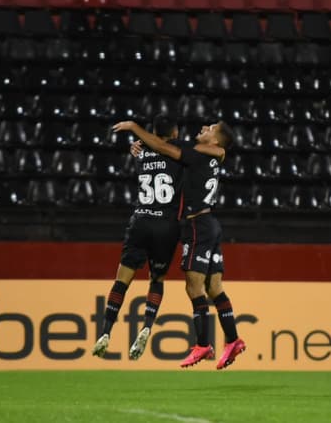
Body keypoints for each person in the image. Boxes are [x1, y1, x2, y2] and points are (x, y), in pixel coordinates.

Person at [112, 120, 246, 370]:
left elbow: (165, 147)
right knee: (214, 288)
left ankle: (203, 345)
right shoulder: (216, 152)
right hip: (212, 224)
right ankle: (234, 340)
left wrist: (135, 128)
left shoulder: (198, 153)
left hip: (198, 226)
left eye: (211, 128)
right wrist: (145, 148)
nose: (204, 126)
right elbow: (164, 147)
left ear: (215, 140)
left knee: (194, 287)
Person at [93, 115, 184, 360]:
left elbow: (148, 146)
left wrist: (137, 142)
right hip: (166, 224)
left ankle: (105, 332)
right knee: (157, 278)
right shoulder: (178, 151)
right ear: (174, 133)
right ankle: (146, 326)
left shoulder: (140, 154)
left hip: (141, 220)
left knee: (122, 279)